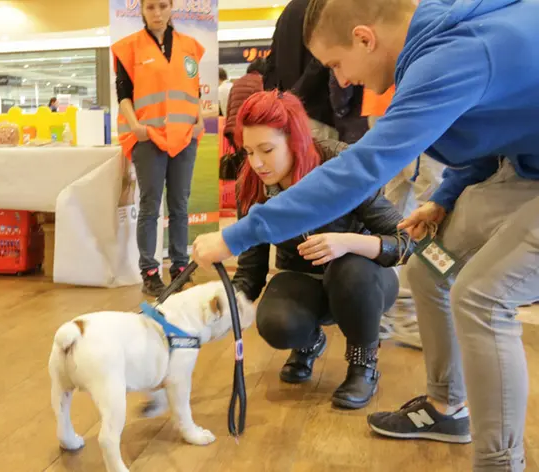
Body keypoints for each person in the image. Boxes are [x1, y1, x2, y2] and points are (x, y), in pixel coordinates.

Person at [193, 0, 539, 469]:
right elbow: (487, 134)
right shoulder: (436, 52)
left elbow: (360, 170)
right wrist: (445, 197)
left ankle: (500, 463)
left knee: (481, 297)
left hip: (515, 184)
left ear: (364, 38)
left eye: (335, 64)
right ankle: (447, 407)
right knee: (432, 268)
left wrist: (236, 236)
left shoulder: (454, 55)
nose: (339, 80)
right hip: (519, 168)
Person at [230, 91, 410, 409]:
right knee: (276, 323)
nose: (256, 163)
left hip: (364, 281)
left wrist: (347, 243)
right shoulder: (252, 185)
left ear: (295, 140)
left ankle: (363, 365)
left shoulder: (340, 166)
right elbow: (251, 268)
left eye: (267, 150)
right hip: (303, 278)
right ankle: (309, 343)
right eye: (248, 152)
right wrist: (218, 303)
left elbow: (408, 243)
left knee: (349, 268)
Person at [112, 0, 205, 296]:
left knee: (179, 205)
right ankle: (150, 272)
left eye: (162, 6)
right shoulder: (130, 47)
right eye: (150, 7)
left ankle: (180, 267)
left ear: (171, 7)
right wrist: (136, 125)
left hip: (184, 137)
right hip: (147, 137)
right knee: (151, 206)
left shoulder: (189, 46)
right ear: (141, 10)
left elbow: (193, 89)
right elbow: (123, 93)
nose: (157, 13)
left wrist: (200, 121)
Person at [363, 86, 445, 349]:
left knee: (393, 216)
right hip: (422, 103)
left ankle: (386, 312)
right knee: (432, 217)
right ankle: (409, 316)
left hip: (385, 105)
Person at [262, 0, 336, 141]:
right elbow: (321, 59)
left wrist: (279, 101)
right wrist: (295, 95)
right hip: (317, 111)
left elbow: (270, 63)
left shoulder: (288, 11)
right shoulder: (322, 8)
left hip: (288, 115)